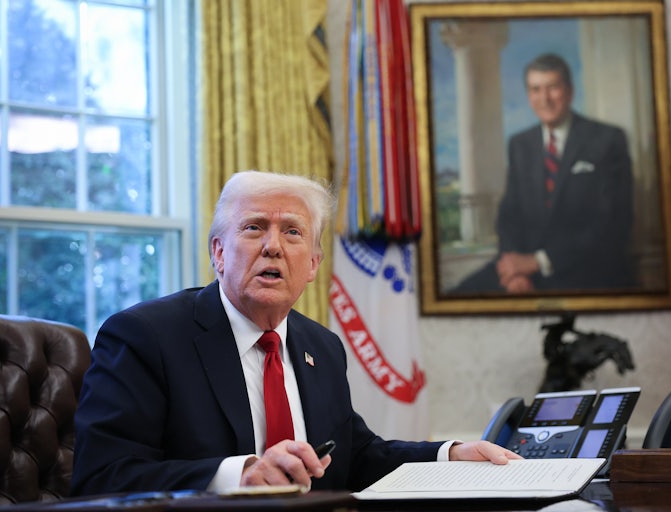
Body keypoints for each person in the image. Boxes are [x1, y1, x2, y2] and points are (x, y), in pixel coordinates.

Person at [70, 170, 519, 496]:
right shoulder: (144, 336)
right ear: (219, 253)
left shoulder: (321, 346)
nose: (273, 246)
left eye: (292, 232)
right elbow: (103, 477)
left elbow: (356, 457)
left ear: (313, 266)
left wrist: (450, 456)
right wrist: (240, 475)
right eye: (253, 228)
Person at [453, 53, 635, 294]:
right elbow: (509, 216)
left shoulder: (606, 140)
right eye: (535, 90)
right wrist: (514, 272)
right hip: (524, 271)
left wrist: (539, 261)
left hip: (584, 271)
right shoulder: (520, 144)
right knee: (459, 295)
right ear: (529, 96)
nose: (544, 99)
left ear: (569, 91)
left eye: (552, 88)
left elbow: (613, 224)